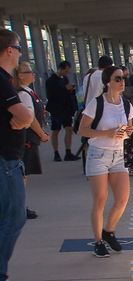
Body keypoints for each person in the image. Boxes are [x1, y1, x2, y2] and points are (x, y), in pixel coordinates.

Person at [78, 66, 133, 257]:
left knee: (122, 199)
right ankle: (98, 241)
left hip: (118, 155)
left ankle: (109, 231)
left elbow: (131, 126)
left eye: (123, 78)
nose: (122, 82)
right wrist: (107, 134)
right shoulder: (97, 104)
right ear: (108, 82)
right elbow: (83, 130)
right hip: (98, 155)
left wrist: (128, 131)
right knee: (100, 199)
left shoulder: (126, 104)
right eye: (117, 78)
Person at [0, 28, 34, 281]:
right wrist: (23, 121)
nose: (21, 52)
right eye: (20, 47)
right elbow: (25, 116)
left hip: (7, 160)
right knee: (14, 217)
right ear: (9, 50)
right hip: (6, 160)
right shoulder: (2, 80)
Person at [15, 61, 49, 219]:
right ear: (20, 76)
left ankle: (20, 205)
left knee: (25, 173)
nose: (33, 73)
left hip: (28, 138)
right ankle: (20, 206)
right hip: (27, 138)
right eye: (29, 71)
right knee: (23, 173)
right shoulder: (23, 93)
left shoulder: (28, 92)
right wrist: (41, 134)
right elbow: (30, 118)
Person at [45, 60, 80, 162]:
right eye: (65, 71)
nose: (66, 73)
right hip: (56, 109)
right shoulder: (50, 81)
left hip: (66, 108)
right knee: (56, 130)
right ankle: (56, 152)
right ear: (60, 69)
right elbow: (51, 95)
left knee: (68, 129)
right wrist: (65, 89)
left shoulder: (64, 78)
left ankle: (68, 152)